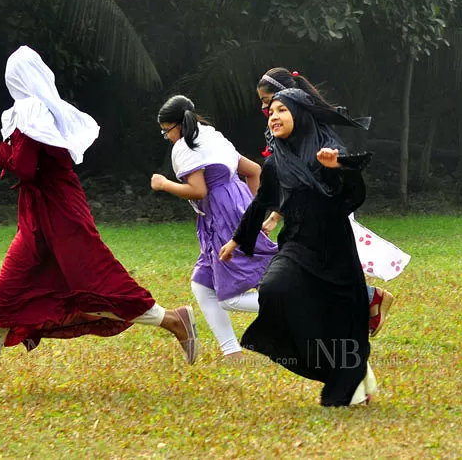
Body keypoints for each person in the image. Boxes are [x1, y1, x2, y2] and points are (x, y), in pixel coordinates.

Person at [0, 46, 198, 398]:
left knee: (98, 285)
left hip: (60, 217)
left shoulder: (32, 111)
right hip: (40, 220)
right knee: (6, 291)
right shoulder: (36, 111)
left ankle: (173, 319)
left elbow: (26, 169)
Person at [220, 88, 377, 406]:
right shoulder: (276, 164)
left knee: (337, 317)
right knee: (274, 290)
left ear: (300, 116)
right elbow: (261, 202)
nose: (274, 116)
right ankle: (327, 366)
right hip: (296, 244)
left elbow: (350, 199)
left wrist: (336, 170)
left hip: (333, 248)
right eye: (271, 111)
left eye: (282, 110)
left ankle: (347, 375)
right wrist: (238, 239)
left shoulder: (327, 150)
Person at [256, 67, 410, 337]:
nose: (264, 108)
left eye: (266, 101)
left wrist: (274, 216)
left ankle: (364, 305)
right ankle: (366, 305)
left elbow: (304, 180)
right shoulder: (287, 126)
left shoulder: (305, 128)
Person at [150, 95, 277, 358]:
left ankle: (291, 304)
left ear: (178, 126)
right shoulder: (212, 136)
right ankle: (231, 352)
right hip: (235, 206)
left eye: (166, 132)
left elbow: (198, 190)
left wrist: (163, 184)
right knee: (202, 283)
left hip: (221, 216)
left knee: (229, 297)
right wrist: (253, 212)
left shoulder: (186, 146)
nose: (168, 138)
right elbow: (253, 170)